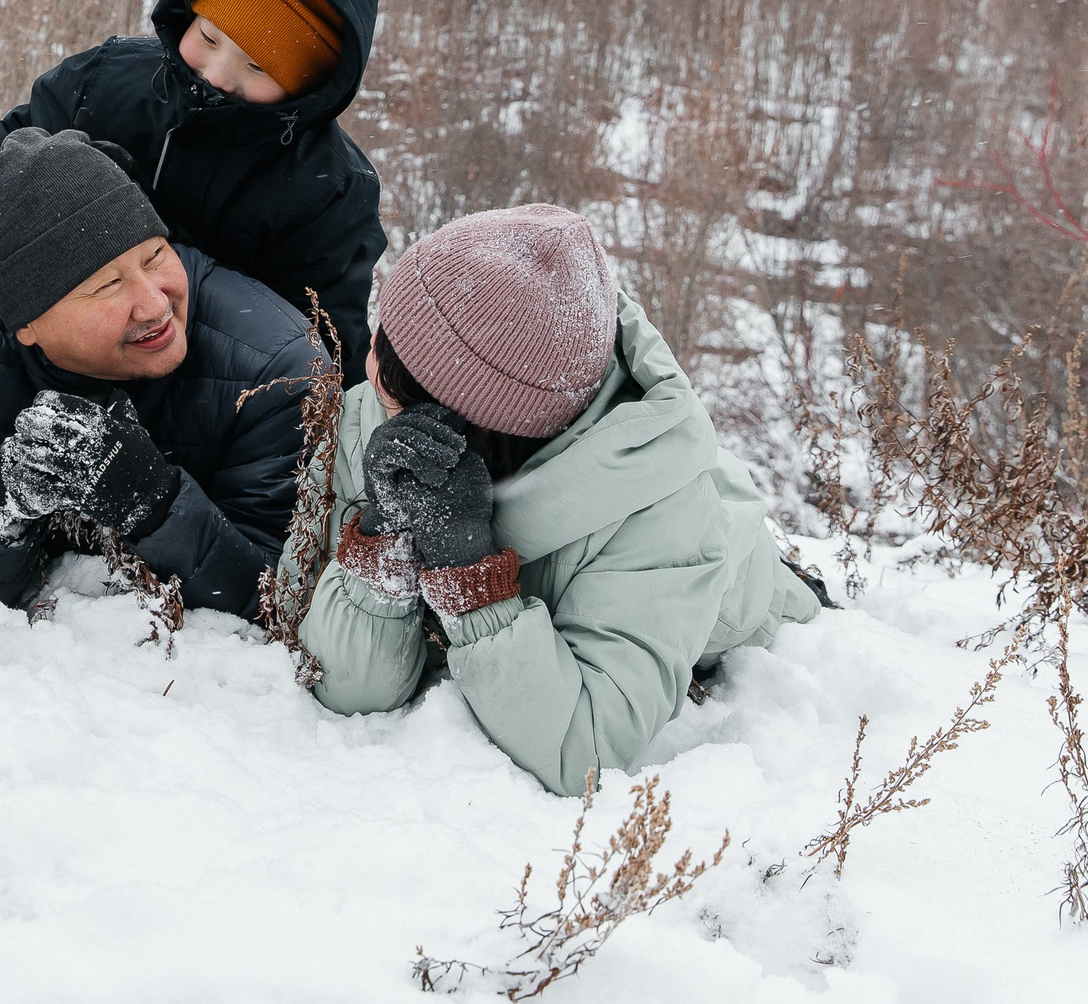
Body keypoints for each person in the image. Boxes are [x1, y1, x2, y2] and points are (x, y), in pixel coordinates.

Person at [282, 204, 828, 795]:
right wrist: (386, 537)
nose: (368, 375)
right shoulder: (384, 413)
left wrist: (471, 581)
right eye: (382, 342)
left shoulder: (665, 514)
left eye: (391, 382)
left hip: (732, 581)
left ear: (467, 426)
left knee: (745, 564)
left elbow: (586, 752)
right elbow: (342, 686)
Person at [0, 0, 386, 384]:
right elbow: (20, 144)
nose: (216, 74)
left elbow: (322, 340)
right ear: (189, 10)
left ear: (309, 85)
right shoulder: (109, 80)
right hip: (63, 353)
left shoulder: (331, 189)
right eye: (209, 38)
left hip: (213, 395)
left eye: (257, 66)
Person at [0, 126, 324, 618]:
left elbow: (276, 601)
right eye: (107, 286)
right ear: (27, 324)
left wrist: (154, 503)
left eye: (155, 255)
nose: (155, 305)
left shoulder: (274, 367)